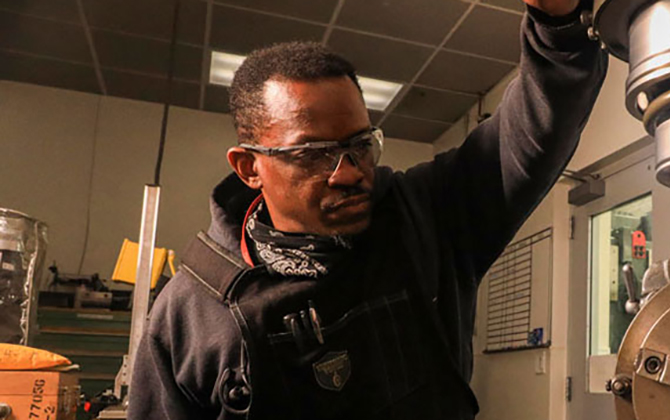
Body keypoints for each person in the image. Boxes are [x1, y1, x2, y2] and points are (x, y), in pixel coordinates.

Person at [127, 0, 606, 417]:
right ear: (249, 167)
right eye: (312, 153)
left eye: (360, 144)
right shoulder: (190, 312)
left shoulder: (427, 218)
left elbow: (529, 135)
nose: (349, 172)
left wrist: (555, 23)